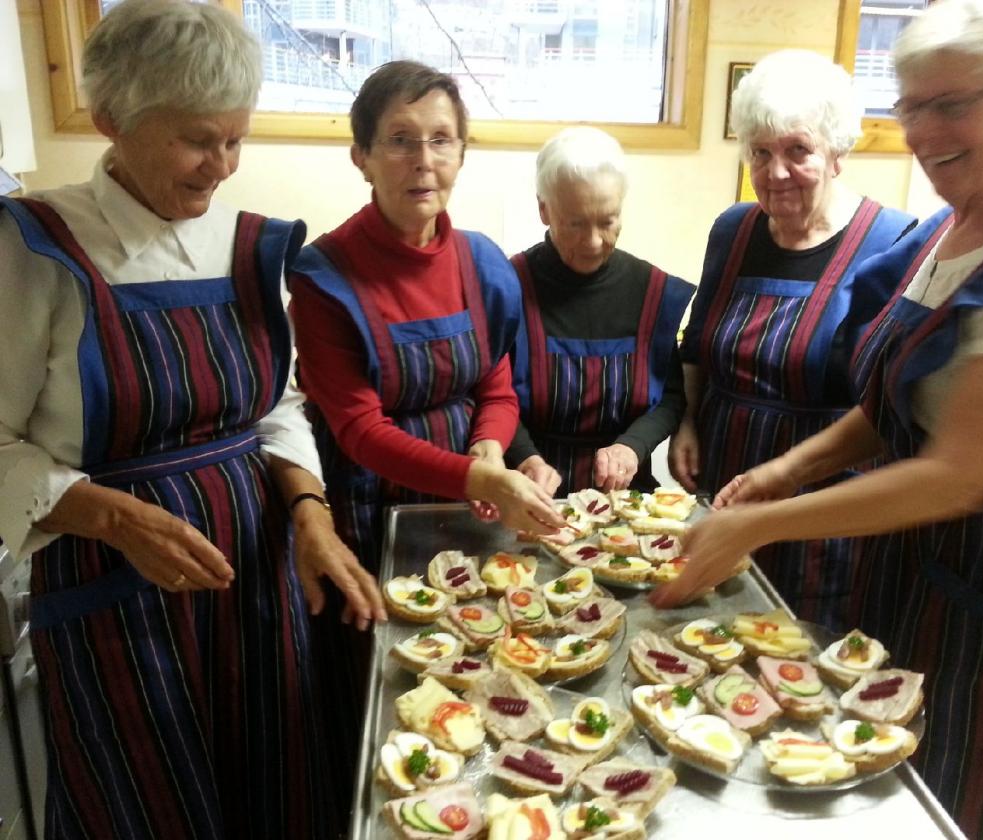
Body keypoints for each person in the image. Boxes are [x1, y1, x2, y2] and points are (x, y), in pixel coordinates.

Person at [653, 2, 983, 837]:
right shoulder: (953, 224)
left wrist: (757, 525)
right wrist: (789, 469)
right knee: (884, 751)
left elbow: (958, 474)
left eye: (952, 104)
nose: (924, 131)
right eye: (911, 106)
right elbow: (893, 402)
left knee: (980, 791)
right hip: (923, 547)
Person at [0, 1, 383, 837]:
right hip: (115, 602)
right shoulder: (37, 247)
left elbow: (272, 405)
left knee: (275, 792)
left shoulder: (247, 245)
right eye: (197, 139)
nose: (221, 166)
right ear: (110, 119)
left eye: (235, 139)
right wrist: (108, 513)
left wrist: (311, 517)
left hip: (254, 582)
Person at [288, 59, 563, 802]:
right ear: (362, 157)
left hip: (473, 514)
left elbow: (495, 383)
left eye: (442, 139)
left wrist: (488, 447)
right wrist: (479, 477)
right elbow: (356, 428)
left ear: (462, 153)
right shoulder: (324, 276)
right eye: (400, 140)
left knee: (489, 688)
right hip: (371, 519)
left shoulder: (481, 262)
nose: (423, 160)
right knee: (398, 712)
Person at [668, 50, 915, 627]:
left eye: (797, 151)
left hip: (821, 507)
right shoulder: (733, 229)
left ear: (837, 154)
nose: (775, 172)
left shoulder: (893, 242)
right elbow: (699, 342)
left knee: (801, 660)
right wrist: (686, 420)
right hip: (726, 481)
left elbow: (893, 404)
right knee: (715, 640)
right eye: (760, 151)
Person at [506, 127, 695, 497]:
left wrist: (633, 446)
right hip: (528, 496)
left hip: (624, 501)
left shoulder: (653, 291)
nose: (593, 242)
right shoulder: (510, 287)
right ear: (544, 209)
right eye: (575, 223)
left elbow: (672, 396)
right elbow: (490, 398)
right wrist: (525, 456)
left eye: (607, 221)